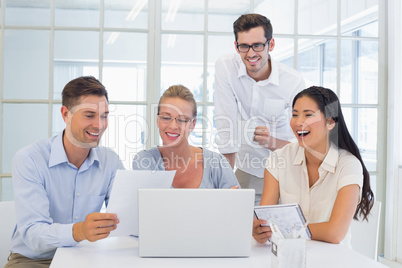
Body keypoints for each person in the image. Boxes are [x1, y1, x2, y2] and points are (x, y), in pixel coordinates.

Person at [6, 76, 124, 268]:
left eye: (104, 115)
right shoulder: (29, 159)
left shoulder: (110, 160)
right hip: (35, 260)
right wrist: (80, 231)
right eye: (89, 115)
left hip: (85, 256)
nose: (99, 125)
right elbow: (34, 234)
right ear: (65, 114)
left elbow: (125, 216)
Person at [252, 86, 374, 246]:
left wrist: (281, 228)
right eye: (294, 115)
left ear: (330, 122)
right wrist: (259, 230)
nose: (298, 122)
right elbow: (265, 220)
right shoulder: (279, 158)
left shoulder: (348, 165)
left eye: (308, 115)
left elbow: (335, 233)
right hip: (290, 255)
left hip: (334, 259)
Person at [214, 13, 305, 204]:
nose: (250, 53)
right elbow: (225, 125)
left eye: (258, 45)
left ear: (270, 45)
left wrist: (271, 141)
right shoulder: (226, 67)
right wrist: (223, 183)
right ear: (236, 46)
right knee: (237, 226)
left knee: (282, 229)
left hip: (285, 172)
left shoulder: (293, 82)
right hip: (248, 169)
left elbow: (304, 143)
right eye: (244, 46)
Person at [132, 85, 239, 189]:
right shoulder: (145, 161)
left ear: (193, 124)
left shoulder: (217, 163)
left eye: (182, 119)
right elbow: (148, 204)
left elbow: (237, 203)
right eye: (165, 117)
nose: (173, 126)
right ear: (157, 120)